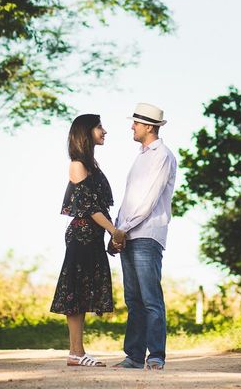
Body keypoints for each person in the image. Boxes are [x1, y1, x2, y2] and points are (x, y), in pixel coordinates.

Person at [49, 113, 126, 367]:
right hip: (81, 235)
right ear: (86, 132)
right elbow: (91, 207)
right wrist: (114, 231)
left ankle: (77, 353)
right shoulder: (77, 164)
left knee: (82, 292)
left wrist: (109, 233)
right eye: (99, 127)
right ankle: (76, 352)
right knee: (75, 292)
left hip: (93, 236)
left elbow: (101, 207)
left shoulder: (92, 164)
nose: (104, 131)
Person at [109, 102, 178, 371]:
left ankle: (156, 356)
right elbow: (130, 199)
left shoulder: (162, 156)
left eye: (136, 123)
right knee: (133, 300)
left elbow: (148, 200)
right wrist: (117, 229)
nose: (132, 126)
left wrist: (122, 229)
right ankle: (134, 356)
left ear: (149, 126)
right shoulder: (140, 156)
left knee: (150, 298)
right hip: (128, 233)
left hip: (147, 235)